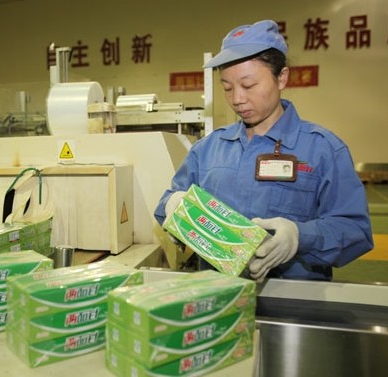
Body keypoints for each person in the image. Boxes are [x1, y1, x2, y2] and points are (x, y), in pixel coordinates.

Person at [154, 20, 373, 281]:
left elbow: (355, 230)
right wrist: (172, 205)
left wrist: (299, 237)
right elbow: (166, 205)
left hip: (294, 304)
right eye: (227, 87)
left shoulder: (323, 149)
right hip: (218, 298)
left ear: (282, 78)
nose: (237, 99)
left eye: (248, 85)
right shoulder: (208, 150)